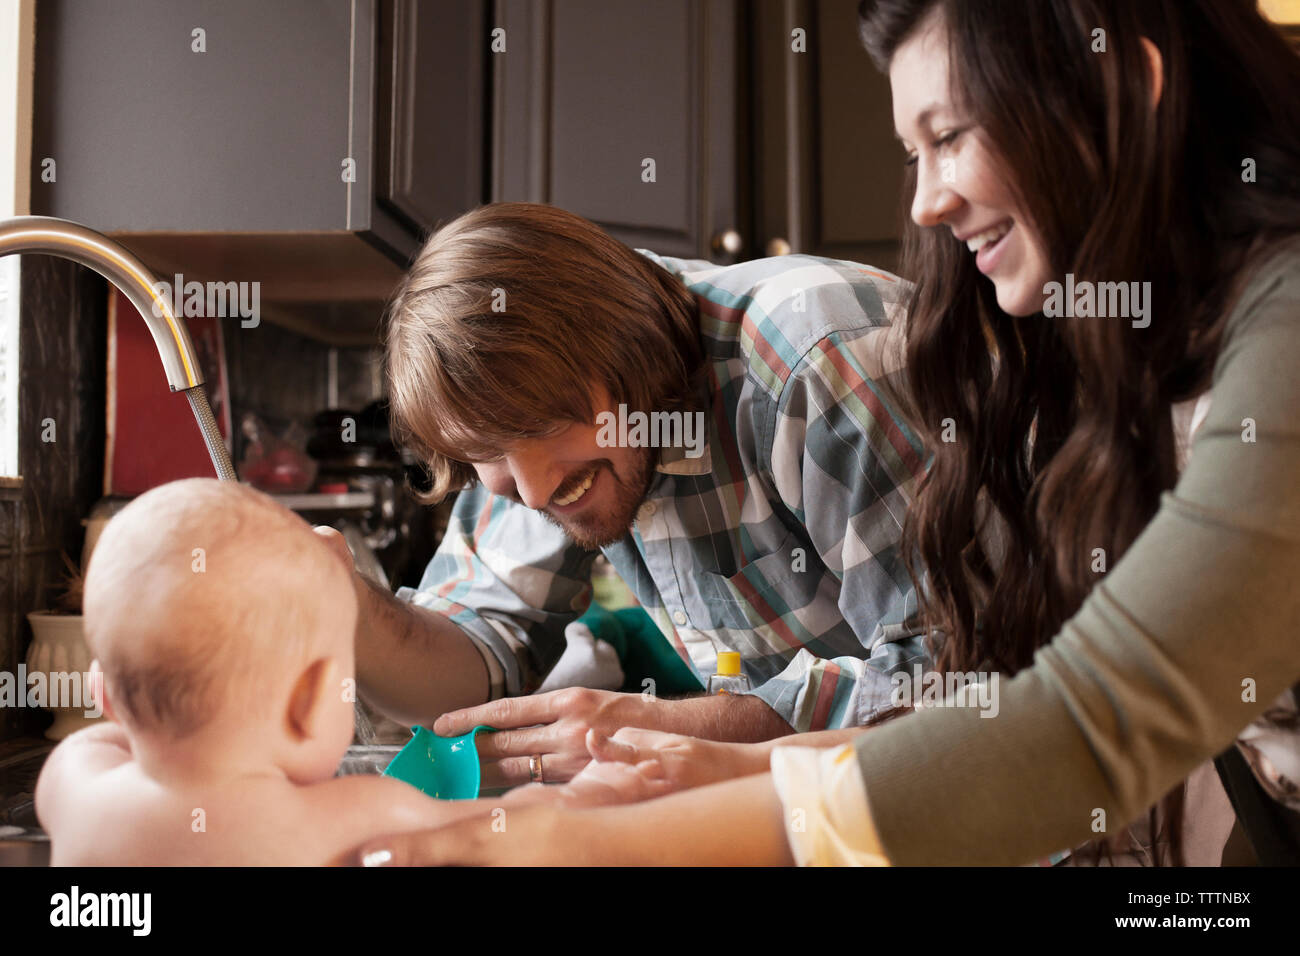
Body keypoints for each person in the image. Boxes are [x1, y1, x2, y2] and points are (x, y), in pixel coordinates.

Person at [353, 0, 1300, 866]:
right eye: (910, 154)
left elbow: (1085, 722)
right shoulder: (1145, 348)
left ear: (1126, 86)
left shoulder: (1282, 332)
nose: (925, 201)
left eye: (951, 136)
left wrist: (619, 835)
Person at [340, 201, 929, 789]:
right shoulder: (529, 422)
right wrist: (348, 607)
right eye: (488, 452)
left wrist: (668, 729)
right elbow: (478, 648)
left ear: (626, 346)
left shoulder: (817, 357)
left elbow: (962, 678)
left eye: (544, 425)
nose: (536, 489)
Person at [34, 479, 669, 865]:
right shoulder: (358, 815)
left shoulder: (79, 790)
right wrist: (604, 790)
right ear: (311, 701)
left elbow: (105, 736)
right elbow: (530, 832)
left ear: (103, 697)